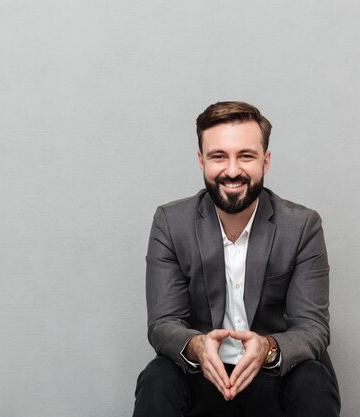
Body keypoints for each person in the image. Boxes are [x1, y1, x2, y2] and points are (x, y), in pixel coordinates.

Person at [132, 101, 341, 417]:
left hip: (275, 374)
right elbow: (163, 324)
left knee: (313, 378)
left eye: (245, 155)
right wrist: (197, 347)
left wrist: (268, 349)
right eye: (218, 156)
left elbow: (313, 328)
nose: (232, 171)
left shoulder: (301, 226)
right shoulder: (170, 223)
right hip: (202, 375)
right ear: (201, 161)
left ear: (265, 161)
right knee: (157, 377)